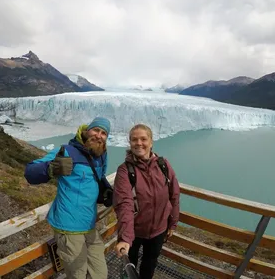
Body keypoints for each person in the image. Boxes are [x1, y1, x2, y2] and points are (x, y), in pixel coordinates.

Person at [24, 117, 113, 279]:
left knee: (100, 274)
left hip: (89, 224)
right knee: (77, 275)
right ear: (87, 131)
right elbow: (30, 173)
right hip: (69, 227)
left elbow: (98, 177)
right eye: (96, 130)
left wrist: (106, 190)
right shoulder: (67, 151)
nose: (99, 135)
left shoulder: (100, 154)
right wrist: (51, 168)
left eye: (104, 133)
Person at [113, 124, 180, 279]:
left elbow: (174, 194)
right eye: (134, 139)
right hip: (134, 232)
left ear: (151, 142)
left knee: (150, 263)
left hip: (159, 230)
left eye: (143, 139)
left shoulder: (163, 165)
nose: (139, 143)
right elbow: (124, 204)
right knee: (130, 266)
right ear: (130, 143)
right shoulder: (125, 171)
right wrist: (125, 238)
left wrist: (172, 223)